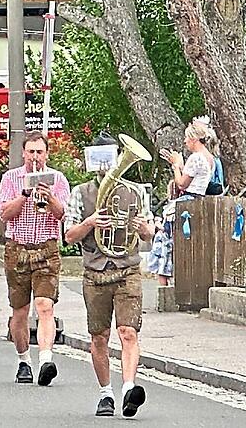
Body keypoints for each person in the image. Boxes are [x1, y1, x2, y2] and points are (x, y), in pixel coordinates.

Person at [64, 134, 153, 418]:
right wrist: (89, 223)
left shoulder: (136, 191)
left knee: (128, 332)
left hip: (127, 270)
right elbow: (68, 236)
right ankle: (106, 392)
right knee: (99, 337)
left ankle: (128, 387)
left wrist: (143, 228)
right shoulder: (80, 193)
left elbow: (150, 235)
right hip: (95, 271)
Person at [0, 131, 70, 386]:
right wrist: (25, 194)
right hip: (17, 248)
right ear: (24, 153)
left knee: (45, 305)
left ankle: (46, 359)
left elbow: (63, 216)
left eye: (40, 152)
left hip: (46, 248)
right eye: (31, 152)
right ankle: (23, 359)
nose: (35, 156)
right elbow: (5, 215)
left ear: (46, 154)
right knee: (20, 311)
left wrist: (50, 198)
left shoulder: (57, 179)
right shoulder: (10, 178)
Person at [148, 122, 217, 285]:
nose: (185, 141)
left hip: (186, 202)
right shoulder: (210, 158)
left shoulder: (196, 158)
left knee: (166, 241)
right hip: (198, 200)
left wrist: (176, 166)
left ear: (194, 139)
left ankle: (163, 284)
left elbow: (181, 183)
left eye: (187, 138)